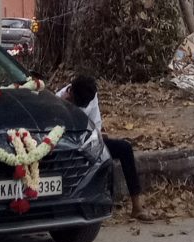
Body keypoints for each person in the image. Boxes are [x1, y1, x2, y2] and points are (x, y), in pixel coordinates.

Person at [60, 73, 144, 219]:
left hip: (93, 141)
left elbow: (97, 125)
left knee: (125, 148)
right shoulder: (58, 100)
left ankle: (137, 206)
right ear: (71, 92)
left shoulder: (90, 95)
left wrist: (98, 135)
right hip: (73, 147)